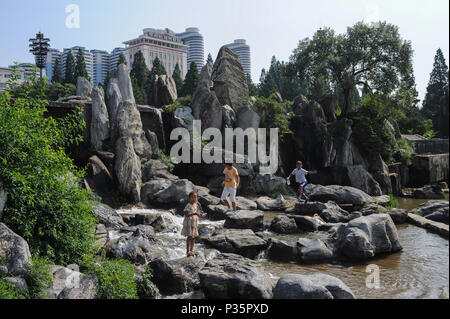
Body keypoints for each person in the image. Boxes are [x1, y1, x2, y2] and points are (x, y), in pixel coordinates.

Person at [181, 191, 206, 257]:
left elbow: (197, 212)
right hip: (189, 223)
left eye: (195, 197)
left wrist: (199, 214)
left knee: (193, 236)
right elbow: (186, 214)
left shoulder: (196, 204)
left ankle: (192, 250)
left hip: (194, 223)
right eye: (192, 197)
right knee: (189, 237)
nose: (194, 199)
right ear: (189, 198)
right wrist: (194, 213)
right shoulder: (188, 205)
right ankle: (188, 251)